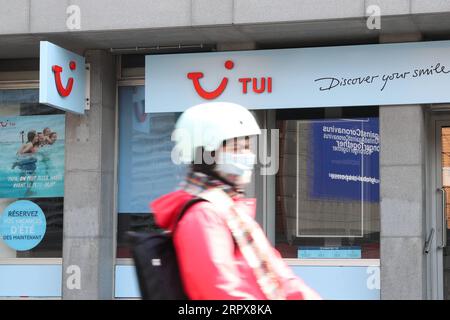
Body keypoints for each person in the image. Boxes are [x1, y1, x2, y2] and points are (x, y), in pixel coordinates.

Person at [151, 102, 321, 300]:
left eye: (247, 147)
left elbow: (281, 278)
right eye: (236, 148)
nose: (247, 156)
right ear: (207, 154)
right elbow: (219, 292)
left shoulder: (231, 210)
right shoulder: (203, 215)